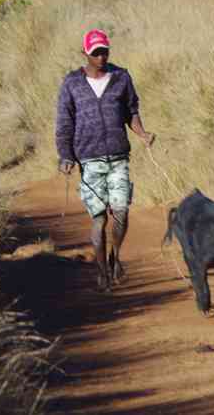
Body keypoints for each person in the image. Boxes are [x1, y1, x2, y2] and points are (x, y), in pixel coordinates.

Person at [55, 28, 155, 292]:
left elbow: (131, 111)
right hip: (89, 160)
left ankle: (115, 257)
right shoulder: (72, 83)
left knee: (121, 213)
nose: (101, 56)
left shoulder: (121, 77)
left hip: (119, 156)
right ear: (85, 54)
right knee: (99, 220)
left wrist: (142, 134)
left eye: (104, 51)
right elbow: (65, 123)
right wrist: (65, 156)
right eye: (95, 52)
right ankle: (102, 272)